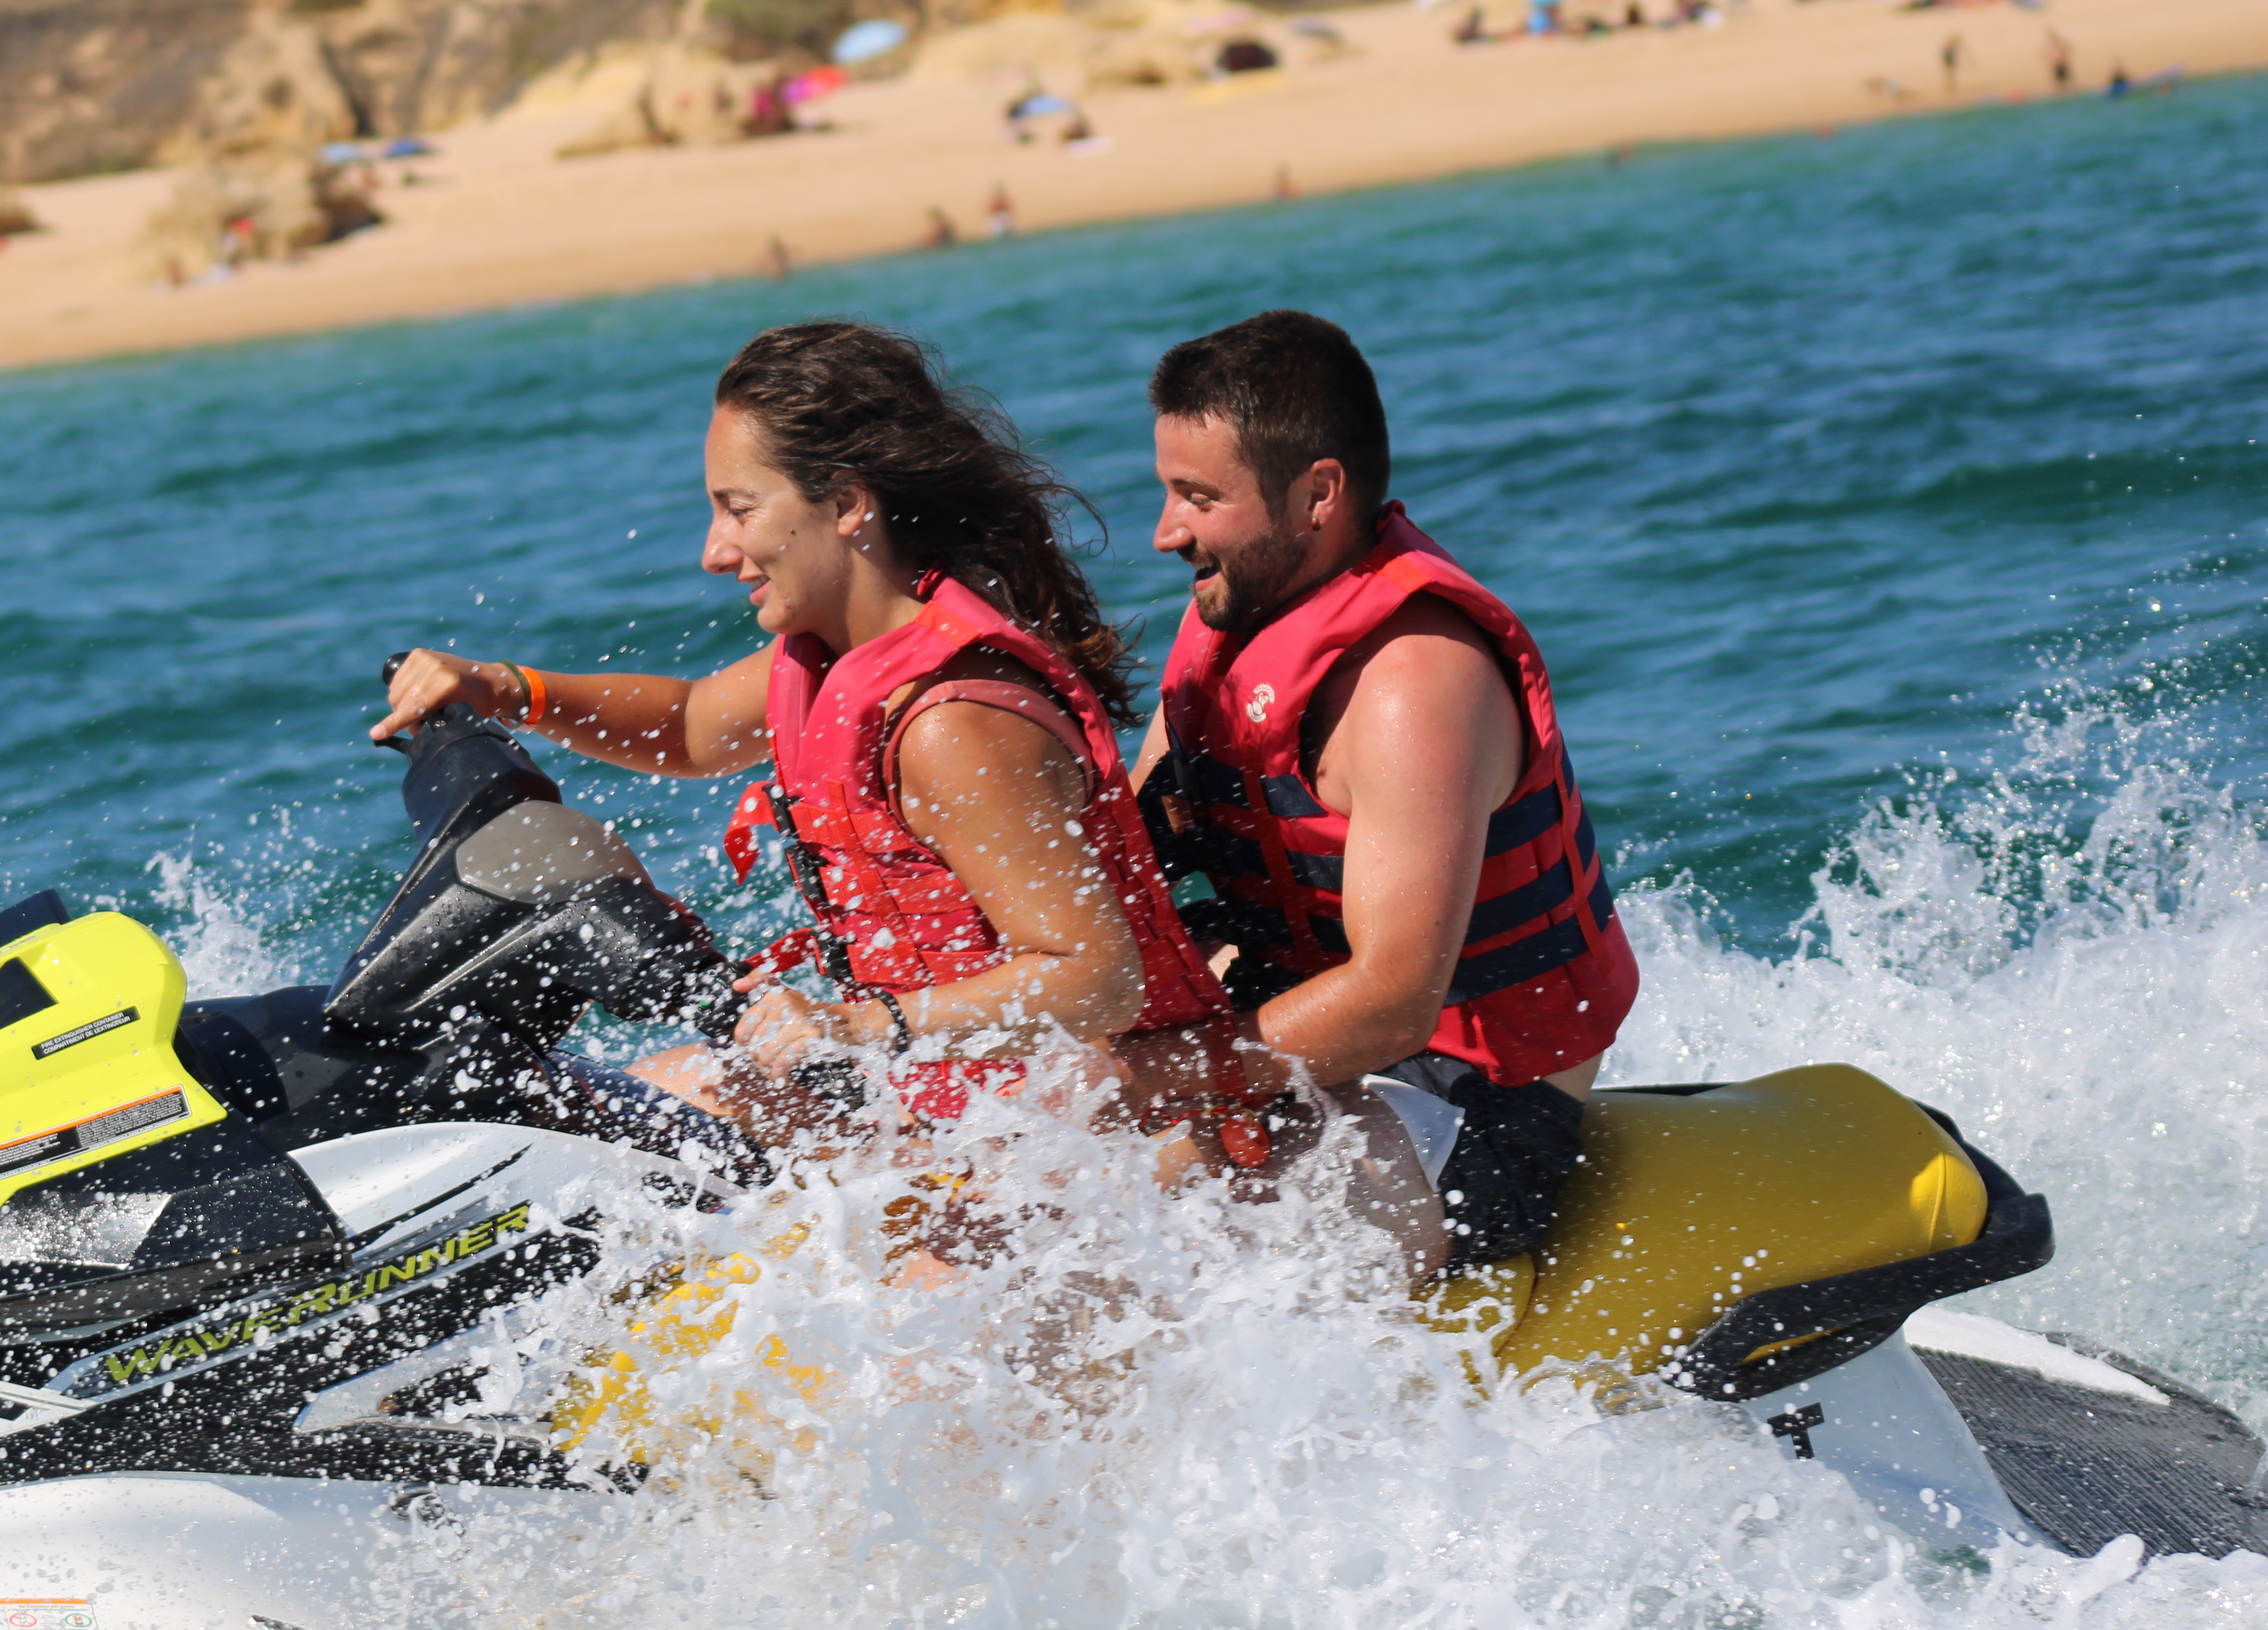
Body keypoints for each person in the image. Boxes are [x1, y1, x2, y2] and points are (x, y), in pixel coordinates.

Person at [372, 320, 1228, 1144]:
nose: (714, 551)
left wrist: (857, 1025)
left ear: (849, 504)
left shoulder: (954, 724)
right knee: (626, 1105)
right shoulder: (837, 662)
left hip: (1117, 1138)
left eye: (738, 510)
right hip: (961, 1107)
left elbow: (1098, 979)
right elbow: (689, 726)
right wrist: (504, 689)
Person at [1112, 311, 1639, 1281]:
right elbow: (1129, 860)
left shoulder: (1414, 681)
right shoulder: (1234, 630)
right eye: (1167, 492)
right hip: (1300, 1043)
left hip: (1475, 1105)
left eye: (1197, 497)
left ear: (1316, 493)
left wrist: (1135, 1081)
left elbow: (1396, 1004)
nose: (1164, 533)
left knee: (1118, 1247)